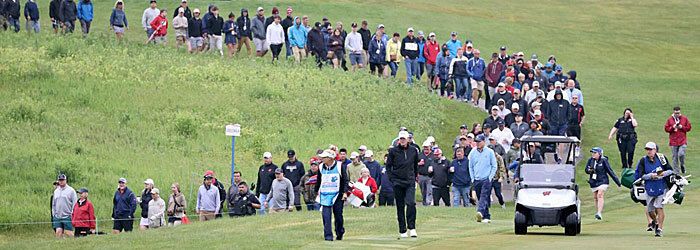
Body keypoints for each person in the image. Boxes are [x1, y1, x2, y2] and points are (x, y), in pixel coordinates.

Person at [635, 142, 674, 237]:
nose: (649, 151)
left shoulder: (662, 158)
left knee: (659, 207)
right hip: (649, 187)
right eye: (647, 149)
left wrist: (662, 174)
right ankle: (655, 222)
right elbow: (640, 176)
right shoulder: (643, 161)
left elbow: (670, 170)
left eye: (650, 149)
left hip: (661, 186)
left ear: (655, 150)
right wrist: (651, 176)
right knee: (650, 210)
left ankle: (659, 229)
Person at [387, 130, 420, 238]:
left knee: (411, 203)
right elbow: (388, 166)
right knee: (400, 206)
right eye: (400, 139)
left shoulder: (413, 151)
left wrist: (415, 177)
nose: (402, 141)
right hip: (397, 181)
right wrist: (392, 179)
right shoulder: (393, 151)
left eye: (404, 139)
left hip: (410, 181)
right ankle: (402, 230)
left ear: (407, 140)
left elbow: (415, 165)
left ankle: (412, 228)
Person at [315, 149, 349, 241]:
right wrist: (316, 191)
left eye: (324, 157)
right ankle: (328, 236)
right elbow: (319, 180)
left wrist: (345, 192)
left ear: (330, 158)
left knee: (338, 216)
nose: (322, 158)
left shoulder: (339, 166)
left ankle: (339, 232)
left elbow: (345, 180)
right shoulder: (321, 167)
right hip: (325, 195)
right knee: (326, 216)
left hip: (338, 195)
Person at [585, 147, 621, 220]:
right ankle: (597, 213)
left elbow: (610, 171)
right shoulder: (590, 160)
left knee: (600, 194)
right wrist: (589, 171)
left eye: (595, 153)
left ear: (599, 153)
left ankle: (599, 213)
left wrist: (618, 183)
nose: (593, 154)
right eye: (592, 152)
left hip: (603, 181)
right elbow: (586, 170)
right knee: (595, 197)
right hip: (593, 181)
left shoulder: (604, 160)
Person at [469, 134, 498, 223]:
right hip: (476, 179)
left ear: (484, 142)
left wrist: (490, 177)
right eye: (476, 142)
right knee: (481, 197)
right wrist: (472, 178)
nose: (477, 143)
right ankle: (487, 216)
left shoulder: (489, 152)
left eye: (479, 142)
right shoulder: (473, 152)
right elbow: (470, 166)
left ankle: (480, 211)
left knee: (483, 196)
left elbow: (494, 166)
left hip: (486, 179)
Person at [664, 106, 692, 174]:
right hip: (673, 141)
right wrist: (672, 127)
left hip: (682, 141)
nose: (677, 114)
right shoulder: (670, 120)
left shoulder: (684, 119)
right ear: (673, 112)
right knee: (675, 157)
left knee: (681, 154)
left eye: (678, 113)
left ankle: (682, 165)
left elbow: (689, 128)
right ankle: (676, 172)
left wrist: (682, 127)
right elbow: (666, 129)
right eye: (676, 113)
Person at [488, 143, 508, 209]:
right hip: (488, 178)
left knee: (498, 194)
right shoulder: (486, 157)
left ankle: (502, 204)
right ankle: (488, 207)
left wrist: (501, 177)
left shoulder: (498, 157)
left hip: (496, 178)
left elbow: (502, 167)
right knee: (487, 193)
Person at [417, 141, 434, 206]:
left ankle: (428, 203)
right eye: (424, 147)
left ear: (430, 147)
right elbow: (413, 164)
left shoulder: (433, 155)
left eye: (427, 147)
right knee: (423, 191)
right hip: (421, 176)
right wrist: (419, 164)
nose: (426, 149)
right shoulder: (420, 155)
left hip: (430, 176)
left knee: (429, 191)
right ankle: (424, 204)